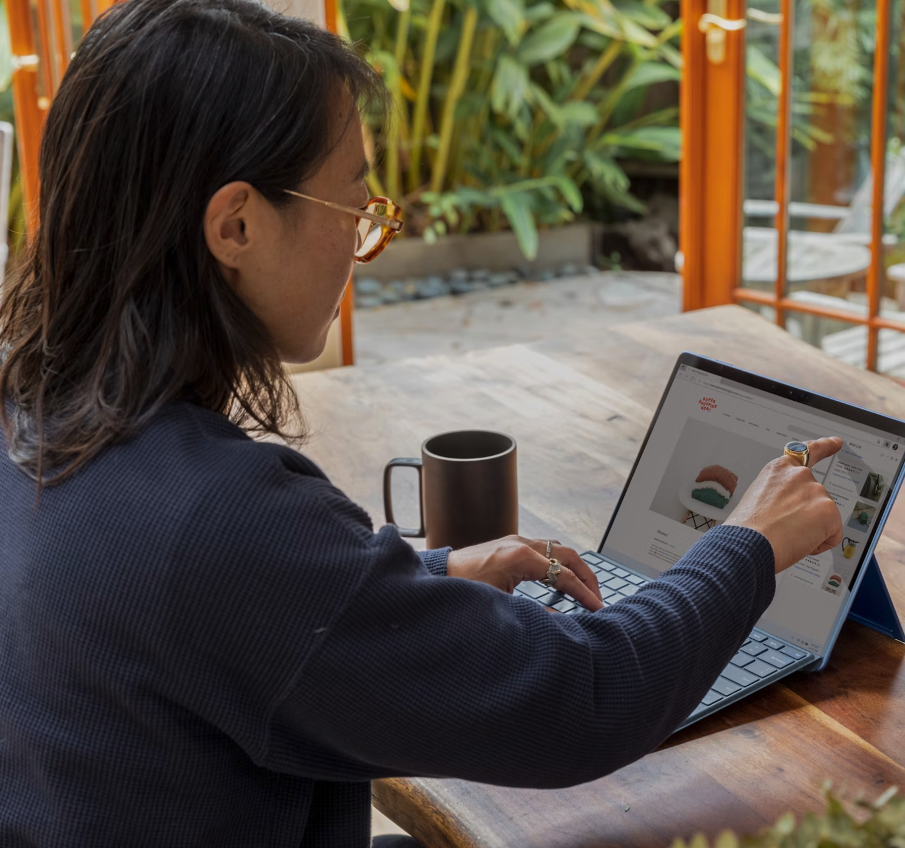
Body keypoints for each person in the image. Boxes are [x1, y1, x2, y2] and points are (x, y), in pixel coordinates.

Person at [0, 0, 844, 845]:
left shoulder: (27, 412)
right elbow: (583, 698)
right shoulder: (218, 518)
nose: (362, 245)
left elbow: (222, 620)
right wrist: (752, 543)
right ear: (237, 225)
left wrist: (428, 582)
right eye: (353, 208)